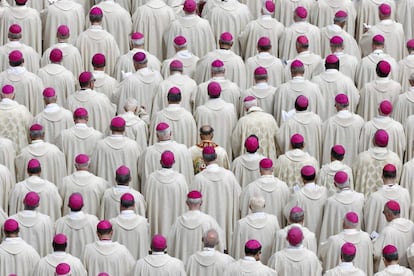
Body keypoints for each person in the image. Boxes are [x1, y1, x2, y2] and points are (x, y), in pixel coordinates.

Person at [193, 146, 241, 250]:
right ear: (216, 157)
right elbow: (238, 198)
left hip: (206, 226)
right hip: (226, 220)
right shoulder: (229, 176)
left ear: (204, 159)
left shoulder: (199, 179)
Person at [168, 190, 225, 264]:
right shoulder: (209, 221)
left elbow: (170, 243)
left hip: (182, 263)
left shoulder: (178, 222)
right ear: (201, 203)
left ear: (187, 203)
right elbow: (220, 241)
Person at [138, 122, 193, 191]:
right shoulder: (183, 150)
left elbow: (140, 172)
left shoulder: (147, 152)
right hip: (177, 191)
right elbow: (189, 171)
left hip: (155, 192)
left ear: (157, 135)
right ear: (170, 133)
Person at [90, 116, 142, 190]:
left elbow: (93, 167)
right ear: (124, 129)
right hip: (129, 192)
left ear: (110, 128)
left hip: (106, 190)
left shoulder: (100, 146)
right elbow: (140, 169)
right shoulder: (133, 146)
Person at [145, 151, 188, 237]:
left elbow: (146, 199)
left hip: (157, 221)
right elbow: (185, 200)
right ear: (174, 162)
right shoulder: (180, 179)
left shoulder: (151, 179)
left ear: (160, 162)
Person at [240, 158, 289, 225]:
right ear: (272, 169)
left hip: (257, 229)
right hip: (278, 225)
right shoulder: (283, 186)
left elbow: (243, 209)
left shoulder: (250, 188)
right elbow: (287, 209)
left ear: (259, 170)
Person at [194, 82, 237, 159]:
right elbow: (235, 132)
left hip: (205, 155)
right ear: (220, 92)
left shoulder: (200, 111)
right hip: (225, 153)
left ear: (208, 93)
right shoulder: (230, 109)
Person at [364, 164, 410, 235]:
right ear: (396, 176)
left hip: (381, 240)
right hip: (401, 236)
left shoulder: (375, 197)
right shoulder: (405, 194)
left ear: (382, 176)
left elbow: (368, 220)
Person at [231, 196, 279, 265]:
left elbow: (236, 248)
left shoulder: (241, 224)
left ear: (250, 207)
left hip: (247, 267)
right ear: (264, 206)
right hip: (269, 265)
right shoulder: (273, 220)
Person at [353, 130, 402, 196]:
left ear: (373, 141)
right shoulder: (394, 159)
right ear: (387, 143)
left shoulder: (362, 158)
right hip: (387, 201)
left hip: (365, 201)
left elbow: (354, 177)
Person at [319, 171, 364, 243]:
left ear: (335, 184)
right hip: (356, 239)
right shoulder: (360, 197)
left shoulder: (331, 202)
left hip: (337, 242)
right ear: (349, 180)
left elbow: (327, 226)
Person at [273, 59, 323, 125]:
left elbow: (277, 113)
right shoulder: (314, 88)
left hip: (289, 129)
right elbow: (320, 111)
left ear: (291, 71)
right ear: (304, 71)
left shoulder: (282, 89)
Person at [55, 107, 104, 175]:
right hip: (92, 179)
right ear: (87, 118)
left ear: (74, 119)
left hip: (70, 177)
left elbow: (58, 158)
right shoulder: (98, 136)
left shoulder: (64, 135)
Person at [311, 54, 359, 121]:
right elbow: (355, 98)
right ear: (338, 66)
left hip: (321, 121)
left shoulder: (315, 81)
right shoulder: (347, 81)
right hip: (342, 121)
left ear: (325, 66)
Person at [113, 51, 163, 117]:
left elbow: (116, 95)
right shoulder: (158, 77)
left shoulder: (130, 80)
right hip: (154, 118)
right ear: (147, 62)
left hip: (137, 122)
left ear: (135, 64)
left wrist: (124, 82)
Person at [284, 165, 328, 238]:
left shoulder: (298, 195)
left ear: (303, 179)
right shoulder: (324, 191)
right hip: (321, 232)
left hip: (304, 235)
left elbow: (287, 212)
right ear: (315, 177)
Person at [232, 96, 279, 162]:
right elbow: (277, 138)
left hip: (248, 160)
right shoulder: (270, 118)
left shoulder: (243, 121)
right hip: (268, 159)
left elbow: (235, 142)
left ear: (245, 109)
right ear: (257, 105)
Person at [322, 93, 365, 166]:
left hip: (335, 166)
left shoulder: (329, 122)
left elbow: (326, 144)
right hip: (354, 162)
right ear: (348, 105)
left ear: (337, 106)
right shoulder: (359, 121)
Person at [75, 7, 120, 75]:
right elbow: (117, 59)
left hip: (86, 82)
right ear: (101, 19)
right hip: (107, 82)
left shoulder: (81, 38)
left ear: (90, 19)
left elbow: (77, 61)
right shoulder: (109, 38)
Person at [54, 193, 99, 258]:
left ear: (68, 205)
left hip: (66, 264)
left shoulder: (60, 223)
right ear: (83, 205)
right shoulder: (93, 221)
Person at [9, 191, 53, 257]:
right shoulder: (46, 221)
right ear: (38, 205)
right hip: (39, 260)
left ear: (23, 201)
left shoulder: (12, 220)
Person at [278, 95, 322, 161]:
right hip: (312, 158)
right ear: (307, 106)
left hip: (293, 159)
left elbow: (279, 138)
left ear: (295, 106)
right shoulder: (316, 120)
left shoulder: (289, 122)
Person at [0, 49, 44, 115]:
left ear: (9, 62)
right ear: (23, 61)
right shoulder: (34, 79)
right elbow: (40, 101)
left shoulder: (1, 77)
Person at [373, 200, 414, 270]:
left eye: (384, 213)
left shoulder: (387, 231)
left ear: (388, 215)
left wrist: (373, 241)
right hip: (408, 269)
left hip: (392, 270)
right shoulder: (411, 225)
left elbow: (376, 254)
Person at [110, 193, 150, 260]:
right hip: (139, 264)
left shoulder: (113, 223)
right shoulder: (143, 222)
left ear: (120, 205)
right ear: (134, 205)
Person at [0, 84, 32, 152]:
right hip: (19, 150)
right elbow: (30, 130)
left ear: (0, 96)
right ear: (14, 96)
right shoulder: (22, 110)